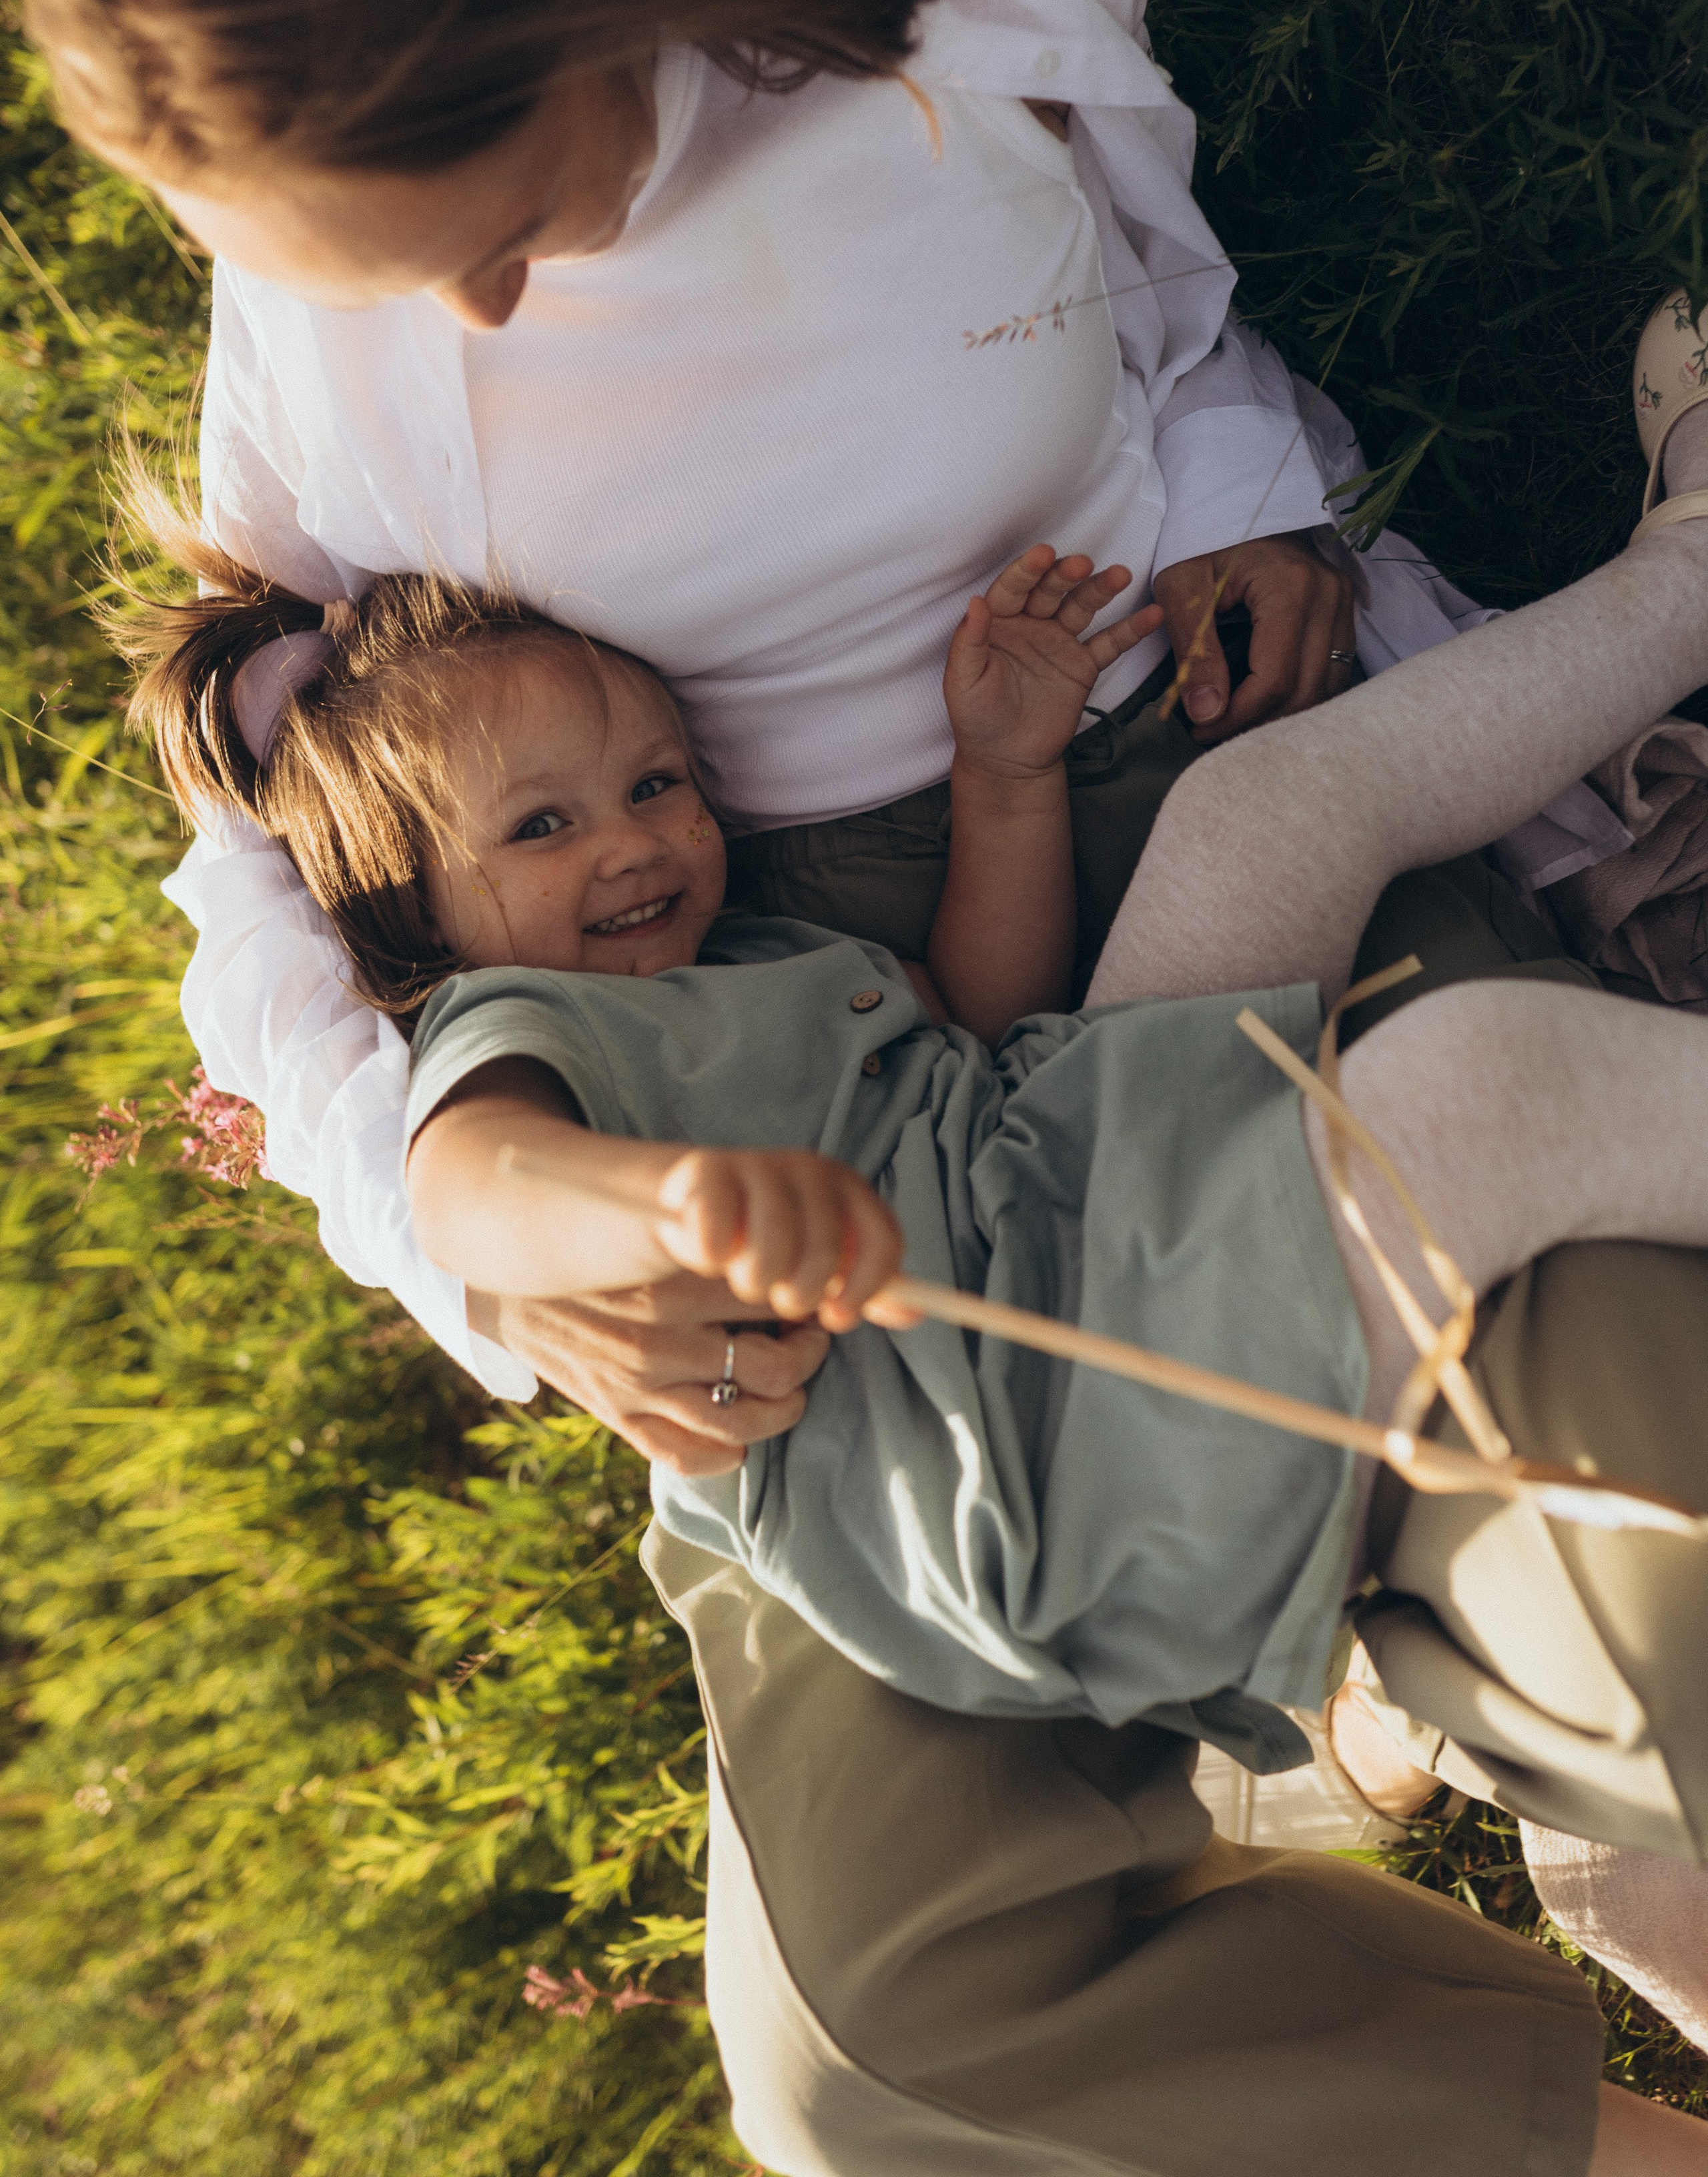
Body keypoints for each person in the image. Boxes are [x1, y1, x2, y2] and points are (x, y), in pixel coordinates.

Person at [7, 0, 1629, 1446]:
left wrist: (1242, 489)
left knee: (1539, 1286)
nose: (471, 314)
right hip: (778, 985)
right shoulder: (326, 298)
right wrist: (484, 1256)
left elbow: (1135, 300)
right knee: (1073, 1494)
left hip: (1192, 739)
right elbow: (269, 818)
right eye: (376, 271)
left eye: (503, 229)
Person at [115, 393, 1708, 2166]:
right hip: (1038, 1441)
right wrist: (660, 1207)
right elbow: (480, 1197)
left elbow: (986, 1008)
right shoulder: (514, 1037)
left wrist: (1003, 780)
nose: (631, 842)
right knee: (1471, 1095)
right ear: (416, 914)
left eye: (655, 784)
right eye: (541, 828)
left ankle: (1686, 572)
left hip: (1070, 1171)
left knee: (1266, 813)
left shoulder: (755, 953)